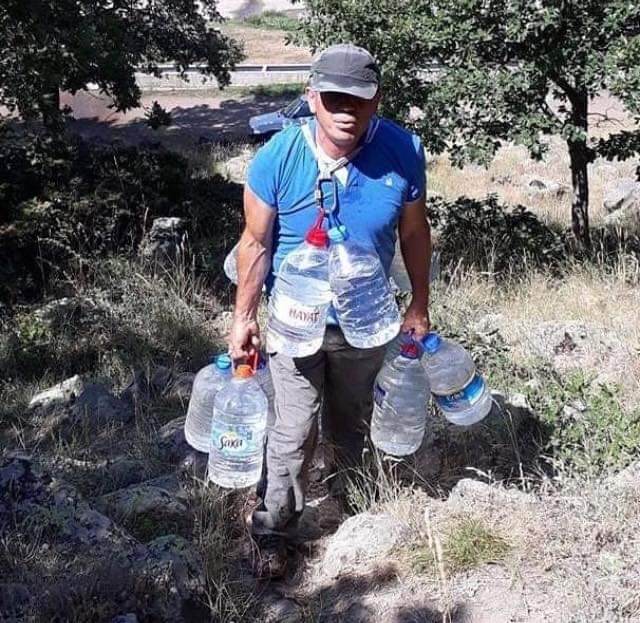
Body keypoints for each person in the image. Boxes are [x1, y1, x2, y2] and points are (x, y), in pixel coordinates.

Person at [228, 43, 432, 578]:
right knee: (294, 428)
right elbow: (255, 243)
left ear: (376, 100)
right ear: (312, 96)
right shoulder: (278, 157)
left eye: (359, 99)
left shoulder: (402, 150)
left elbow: (414, 232)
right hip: (295, 324)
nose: (347, 110)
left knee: (351, 420)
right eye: (335, 97)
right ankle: (274, 530)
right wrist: (244, 318)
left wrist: (419, 303)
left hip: (364, 324)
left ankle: (348, 507)